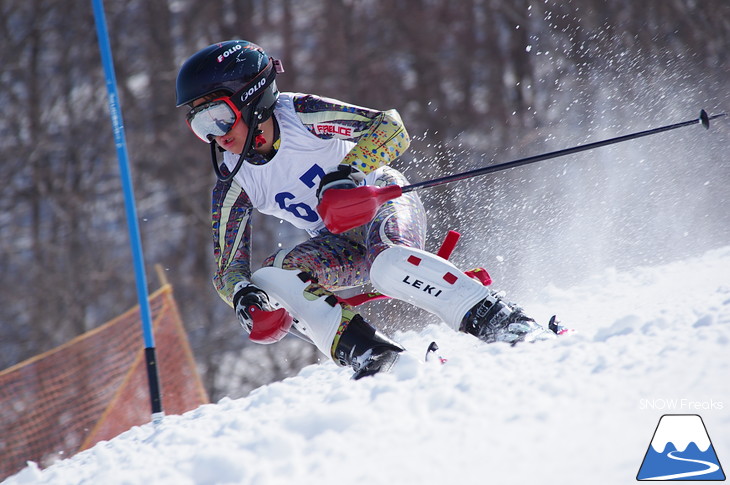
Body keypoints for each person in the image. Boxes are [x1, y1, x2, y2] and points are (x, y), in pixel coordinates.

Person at [175, 40, 553, 379]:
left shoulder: (301, 115)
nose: (217, 135)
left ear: (252, 98)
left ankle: (501, 320)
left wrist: (347, 175)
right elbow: (228, 269)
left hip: (382, 204)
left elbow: (390, 128)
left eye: (218, 116)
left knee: (387, 265)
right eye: (200, 124)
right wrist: (244, 297)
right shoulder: (233, 181)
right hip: (336, 242)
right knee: (272, 280)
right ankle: (374, 356)